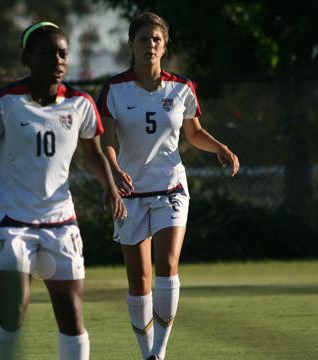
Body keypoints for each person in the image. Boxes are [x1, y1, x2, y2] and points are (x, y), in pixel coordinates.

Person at [0, 21, 126, 360]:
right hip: (11, 219)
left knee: (71, 315)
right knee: (14, 308)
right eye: (48, 52)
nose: (58, 60)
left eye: (63, 53)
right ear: (27, 58)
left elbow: (93, 153)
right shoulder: (6, 102)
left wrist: (110, 186)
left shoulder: (80, 104)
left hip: (60, 221)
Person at [97, 12, 240, 360]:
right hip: (130, 192)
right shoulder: (114, 89)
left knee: (168, 263)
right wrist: (113, 170)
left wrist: (220, 147)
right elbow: (107, 139)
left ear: (165, 46)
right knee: (138, 279)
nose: (150, 45)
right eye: (144, 39)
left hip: (170, 187)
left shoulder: (181, 88)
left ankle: (159, 353)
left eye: (156, 40)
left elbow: (193, 133)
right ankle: (146, 352)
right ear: (132, 44)